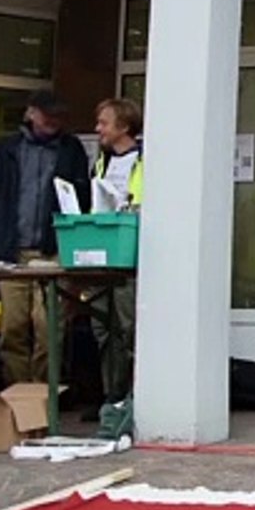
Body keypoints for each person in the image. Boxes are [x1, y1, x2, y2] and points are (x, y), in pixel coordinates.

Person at [0, 90, 90, 385]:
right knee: (13, 328)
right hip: (10, 253)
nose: (53, 120)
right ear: (31, 113)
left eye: (58, 115)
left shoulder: (71, 149)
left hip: (53, 252)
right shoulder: (8, 148)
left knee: (49, 328)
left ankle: (43, 396)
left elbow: (82, 203)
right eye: (47, 114)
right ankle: (18, 396)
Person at [90, 98, 143, 407]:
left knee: (128, 327)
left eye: (104, 123)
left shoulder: (146, 160)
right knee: (102, 327)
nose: (98, 129)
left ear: (123, 126)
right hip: (101, 253)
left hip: (130, 256)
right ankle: (111, 397)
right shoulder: (101, 162)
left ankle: (133, 397)